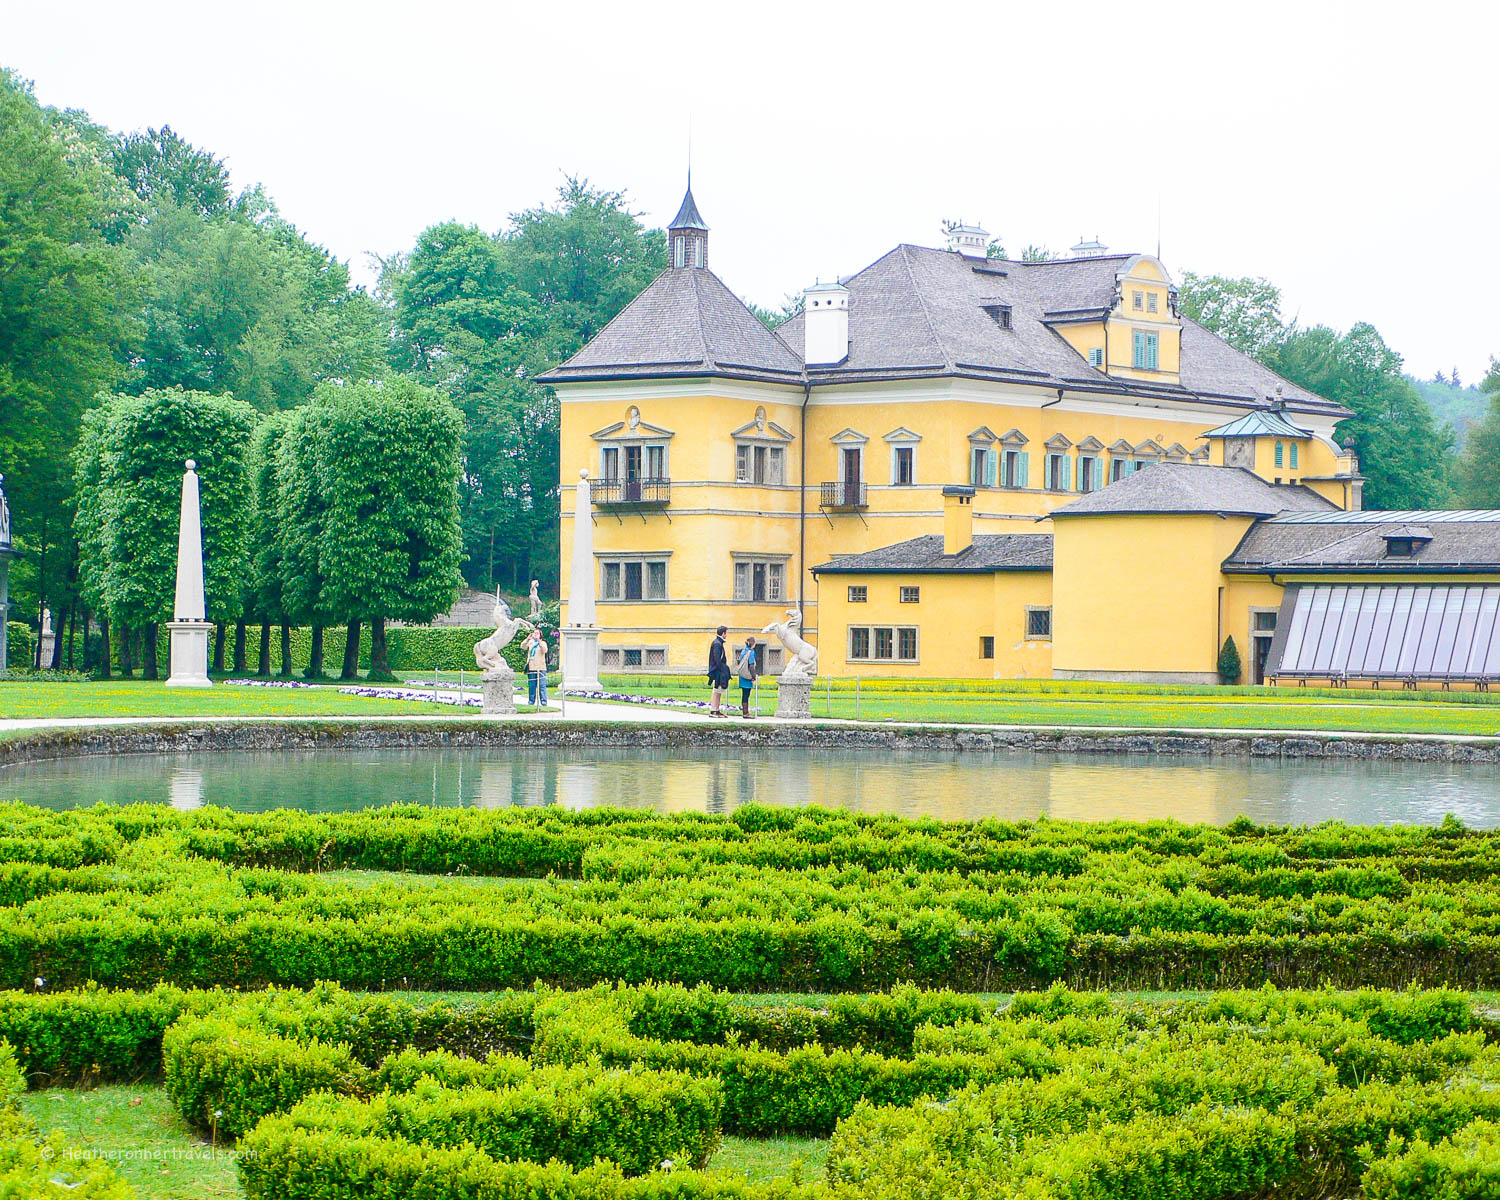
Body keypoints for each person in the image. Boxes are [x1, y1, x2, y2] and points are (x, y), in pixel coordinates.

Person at [707, 626, 731, 716]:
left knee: (719, 690)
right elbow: (717, 659)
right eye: (726, 633)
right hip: (717, 670)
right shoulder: (717, 644)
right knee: (716, 690)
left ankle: (716, 709)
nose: (726, 635)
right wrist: (722, 669)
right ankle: (714, 710)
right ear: (723, 633)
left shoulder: (718, 642)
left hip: (718, 669)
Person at [736, 636, 760, 719]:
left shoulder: (744, 651)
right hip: (747, 675)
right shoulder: (751, 652)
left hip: (742, 675)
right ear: (753, 644)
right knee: (747, 694)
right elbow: (751, 666)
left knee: (744, 694)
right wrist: (754, 676)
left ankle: (745, 712)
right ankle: (746, 713)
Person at [525, 631, 549, 706]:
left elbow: (544, 650)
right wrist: (527, 639)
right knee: (532, 686)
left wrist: (539, 641)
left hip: (541, 667)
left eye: (537, 633)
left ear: (540, 635)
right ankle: (531, 701)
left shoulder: (543, 643)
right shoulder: (531, 642)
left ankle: (543, 701)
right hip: (531, 667)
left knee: (542, 685)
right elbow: (523, 646)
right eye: (534, 633)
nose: (535, 634)